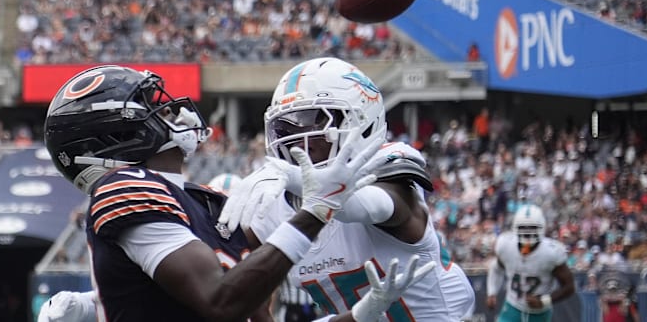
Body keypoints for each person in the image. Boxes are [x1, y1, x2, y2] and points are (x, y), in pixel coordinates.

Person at [42, 64, 435, 322]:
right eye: (151, 108)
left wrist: (363, 313)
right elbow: (220, 300)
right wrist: (315, 207)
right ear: (119, 137)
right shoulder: (128, 188)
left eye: (312, 122)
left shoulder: (208, 203)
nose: (170, 111)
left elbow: (385, 206)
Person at [219, 57, 475, 321]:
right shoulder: (276, 205)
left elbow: (366, 205)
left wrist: (294, 178)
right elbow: (226, 272)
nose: (296, 139)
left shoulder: (389, 170)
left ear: (360, 121)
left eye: (313, 120)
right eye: (285, 126)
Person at [486, 204, 576, 322]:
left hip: (539, 314)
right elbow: (496, 268)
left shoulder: (551, 253)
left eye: (532, 227)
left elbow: (569, 287)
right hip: (512, 308)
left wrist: (544, 301)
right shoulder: (506, 246)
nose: (527, 232)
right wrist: (492, 292)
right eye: (523, 227)